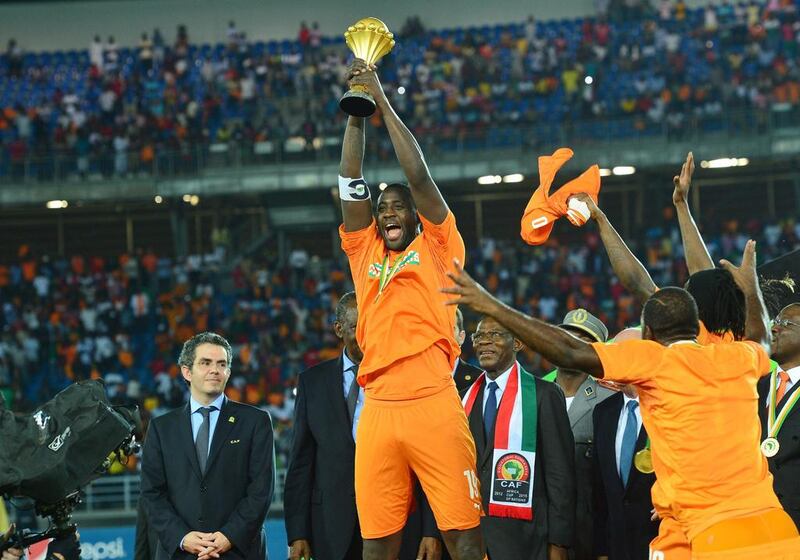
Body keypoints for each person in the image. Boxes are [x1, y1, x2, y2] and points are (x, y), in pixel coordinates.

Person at [444, 241, 800, 558]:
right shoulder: (738, 358)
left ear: (647, 333)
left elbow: (570, 351)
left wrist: (490, 303)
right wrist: (749, 286)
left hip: (709, 534)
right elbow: (761, 339)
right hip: (777, 527)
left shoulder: (653, 360)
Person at [337, 59, 483, 559]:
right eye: (383, 210)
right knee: (376, 542)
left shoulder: (438, 247)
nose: (389, 212)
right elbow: (348, 179)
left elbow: (417, 176)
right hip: (376, 405)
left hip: (432, 400)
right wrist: (357, 110)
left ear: (416, 218)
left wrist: (380, 96)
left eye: (398, 206)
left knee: (462, 534)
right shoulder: (365, 252)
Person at [284, 293, 443, 560]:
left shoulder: (410, 378)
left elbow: (428, 464)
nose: (370, 332)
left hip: (400, 525)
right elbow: (301, 463)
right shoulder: (313, 383)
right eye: (359, 325)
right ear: (339, 329)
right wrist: (297, 533)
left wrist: (431, 530)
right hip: (331, 527)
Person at [140, 332, 274, 560]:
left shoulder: (256, 421)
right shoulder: (161, 428)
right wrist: (183, 537)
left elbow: (261, 491)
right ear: (186, 371)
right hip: (180, 553)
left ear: (228, 372)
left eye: (222, 364)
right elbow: (151, 493)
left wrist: (228, 536)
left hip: (238, 551)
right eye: (205, 363)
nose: (215, 369)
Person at [463, 316, 574, 559]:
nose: (485, 342)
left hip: (525, 540)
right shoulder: (463, 398)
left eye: (495, 335)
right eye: (479, 336)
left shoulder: (543, 395)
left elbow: (560, 475)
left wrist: (559, 543)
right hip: (469, 538)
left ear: (517, 343)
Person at [550, 309, 613, 560]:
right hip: (540, 533)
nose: (569, 346)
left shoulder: (610, 401)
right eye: (565, 337)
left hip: (588, 535)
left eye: (581, 341)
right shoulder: (533, 394)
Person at [592, 327, 659, 560]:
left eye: (621, 353)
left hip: (662, 541)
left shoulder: (671, 407)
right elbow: (599, 489)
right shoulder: (603, 412)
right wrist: (601, 549)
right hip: (617, 545)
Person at [759, 302, 800, 529]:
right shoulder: (753, 387)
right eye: (773, 322)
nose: (773, 328)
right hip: (754, 520)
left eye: (784, 323)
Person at [452, 307, 484, 392]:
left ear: (461, 337)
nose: (441, 336)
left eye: (450, 329)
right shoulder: (415, 376)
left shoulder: (480, 380)